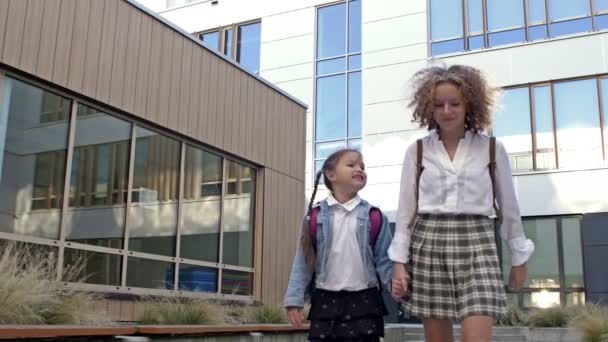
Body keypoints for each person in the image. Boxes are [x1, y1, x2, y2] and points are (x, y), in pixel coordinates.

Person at [389, 65, 535, 342]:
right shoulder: (418, 151)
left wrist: (519, 259)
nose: (447, 111)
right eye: (439, 104)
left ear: (469, 104)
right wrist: (399, 263)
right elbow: (406, 211)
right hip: (429, 241)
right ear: (428, 108)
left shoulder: (492, 148)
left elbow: (509, 207)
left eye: (454, 103)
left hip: (478, 242)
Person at [284, 148, 393, 342]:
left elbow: (384, 261)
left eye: (362, 166)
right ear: (331, 174)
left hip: (365, 302)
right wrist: (294, 299)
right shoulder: (314, 217)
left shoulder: (374, 216)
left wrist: (398, 287)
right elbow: (303, 261)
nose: (359, 169)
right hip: (325, 303)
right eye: (351, 165)